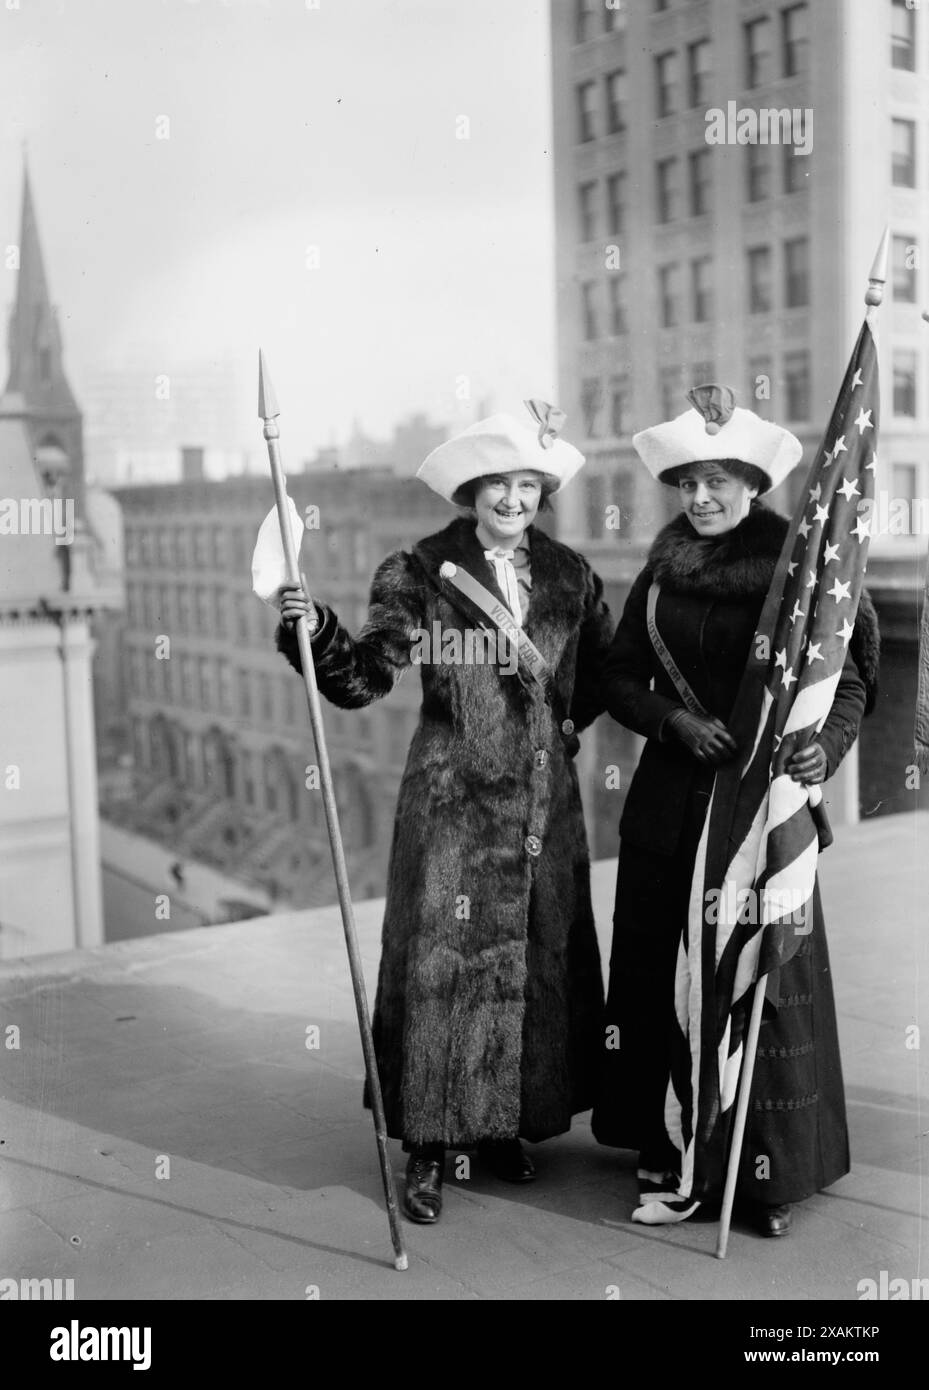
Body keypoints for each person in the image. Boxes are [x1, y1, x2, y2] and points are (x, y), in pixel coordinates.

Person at [275, 403, 613, 1224]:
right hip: (452, 808)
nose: (511, 498)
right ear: (470, 491)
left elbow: (602, 672)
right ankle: (427, 1148)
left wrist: (561, 728)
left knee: (531, 963)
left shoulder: (571, 574)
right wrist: (314, 631)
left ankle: (505, 1127)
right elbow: (364, 678)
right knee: (441, 970)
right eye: (497, 483)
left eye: (527, 484)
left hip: (540, 807)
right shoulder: (419, 572)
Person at [592, 385, 879, 1237]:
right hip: (670, 810)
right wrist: (670, 720)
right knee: (658, 977)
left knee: (760, 980)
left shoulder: (804, 571)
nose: (702, 498)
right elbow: (614, 677)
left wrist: (822, 750)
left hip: (760, 818)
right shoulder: (657, 573)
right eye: (687, 484)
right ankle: (665, 1139)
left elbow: (851, 679)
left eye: (719, 480)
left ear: (754, 485)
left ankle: (767, 1170)